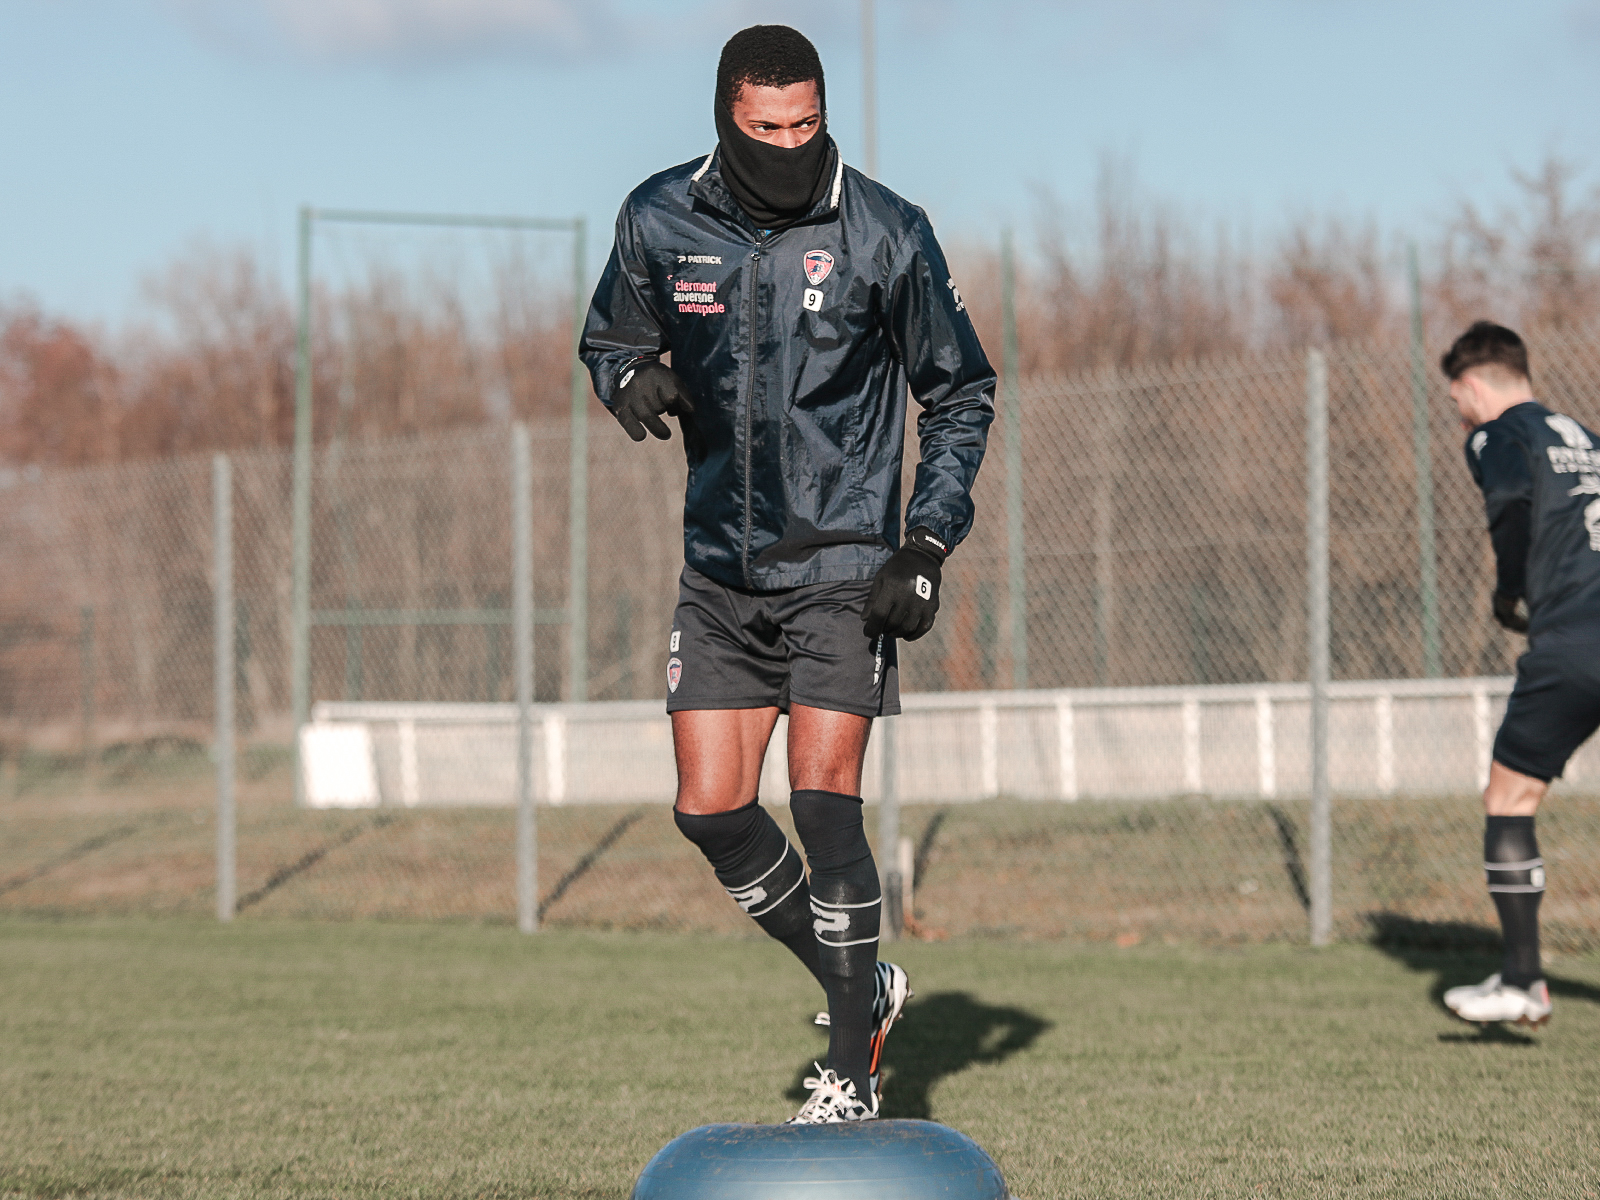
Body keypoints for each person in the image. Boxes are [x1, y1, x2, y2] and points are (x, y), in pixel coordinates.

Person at [579, 25, 994, 1120]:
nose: (787, 144)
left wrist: (925, 541)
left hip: (843, 568)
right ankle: (864, 988)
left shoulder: (884, 231)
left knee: (823, 810)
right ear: (726, 118)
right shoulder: (658, 216)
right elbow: (609, 340)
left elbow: (958, 392)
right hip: (717, 571)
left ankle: (850, 1077)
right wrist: (626, 382)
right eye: (765, 128)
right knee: (710, 811)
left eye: (805, 125)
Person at [1440, 321, 1600, 1029]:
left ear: (1473, 385)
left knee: (1510, 796)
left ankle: (1523, 982)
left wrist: (1510, 592)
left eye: (1458, 402)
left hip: (1574, 638)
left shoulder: (1498, 433)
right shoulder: (1585, 438)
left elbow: (1507, 500)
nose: (1463, 416)